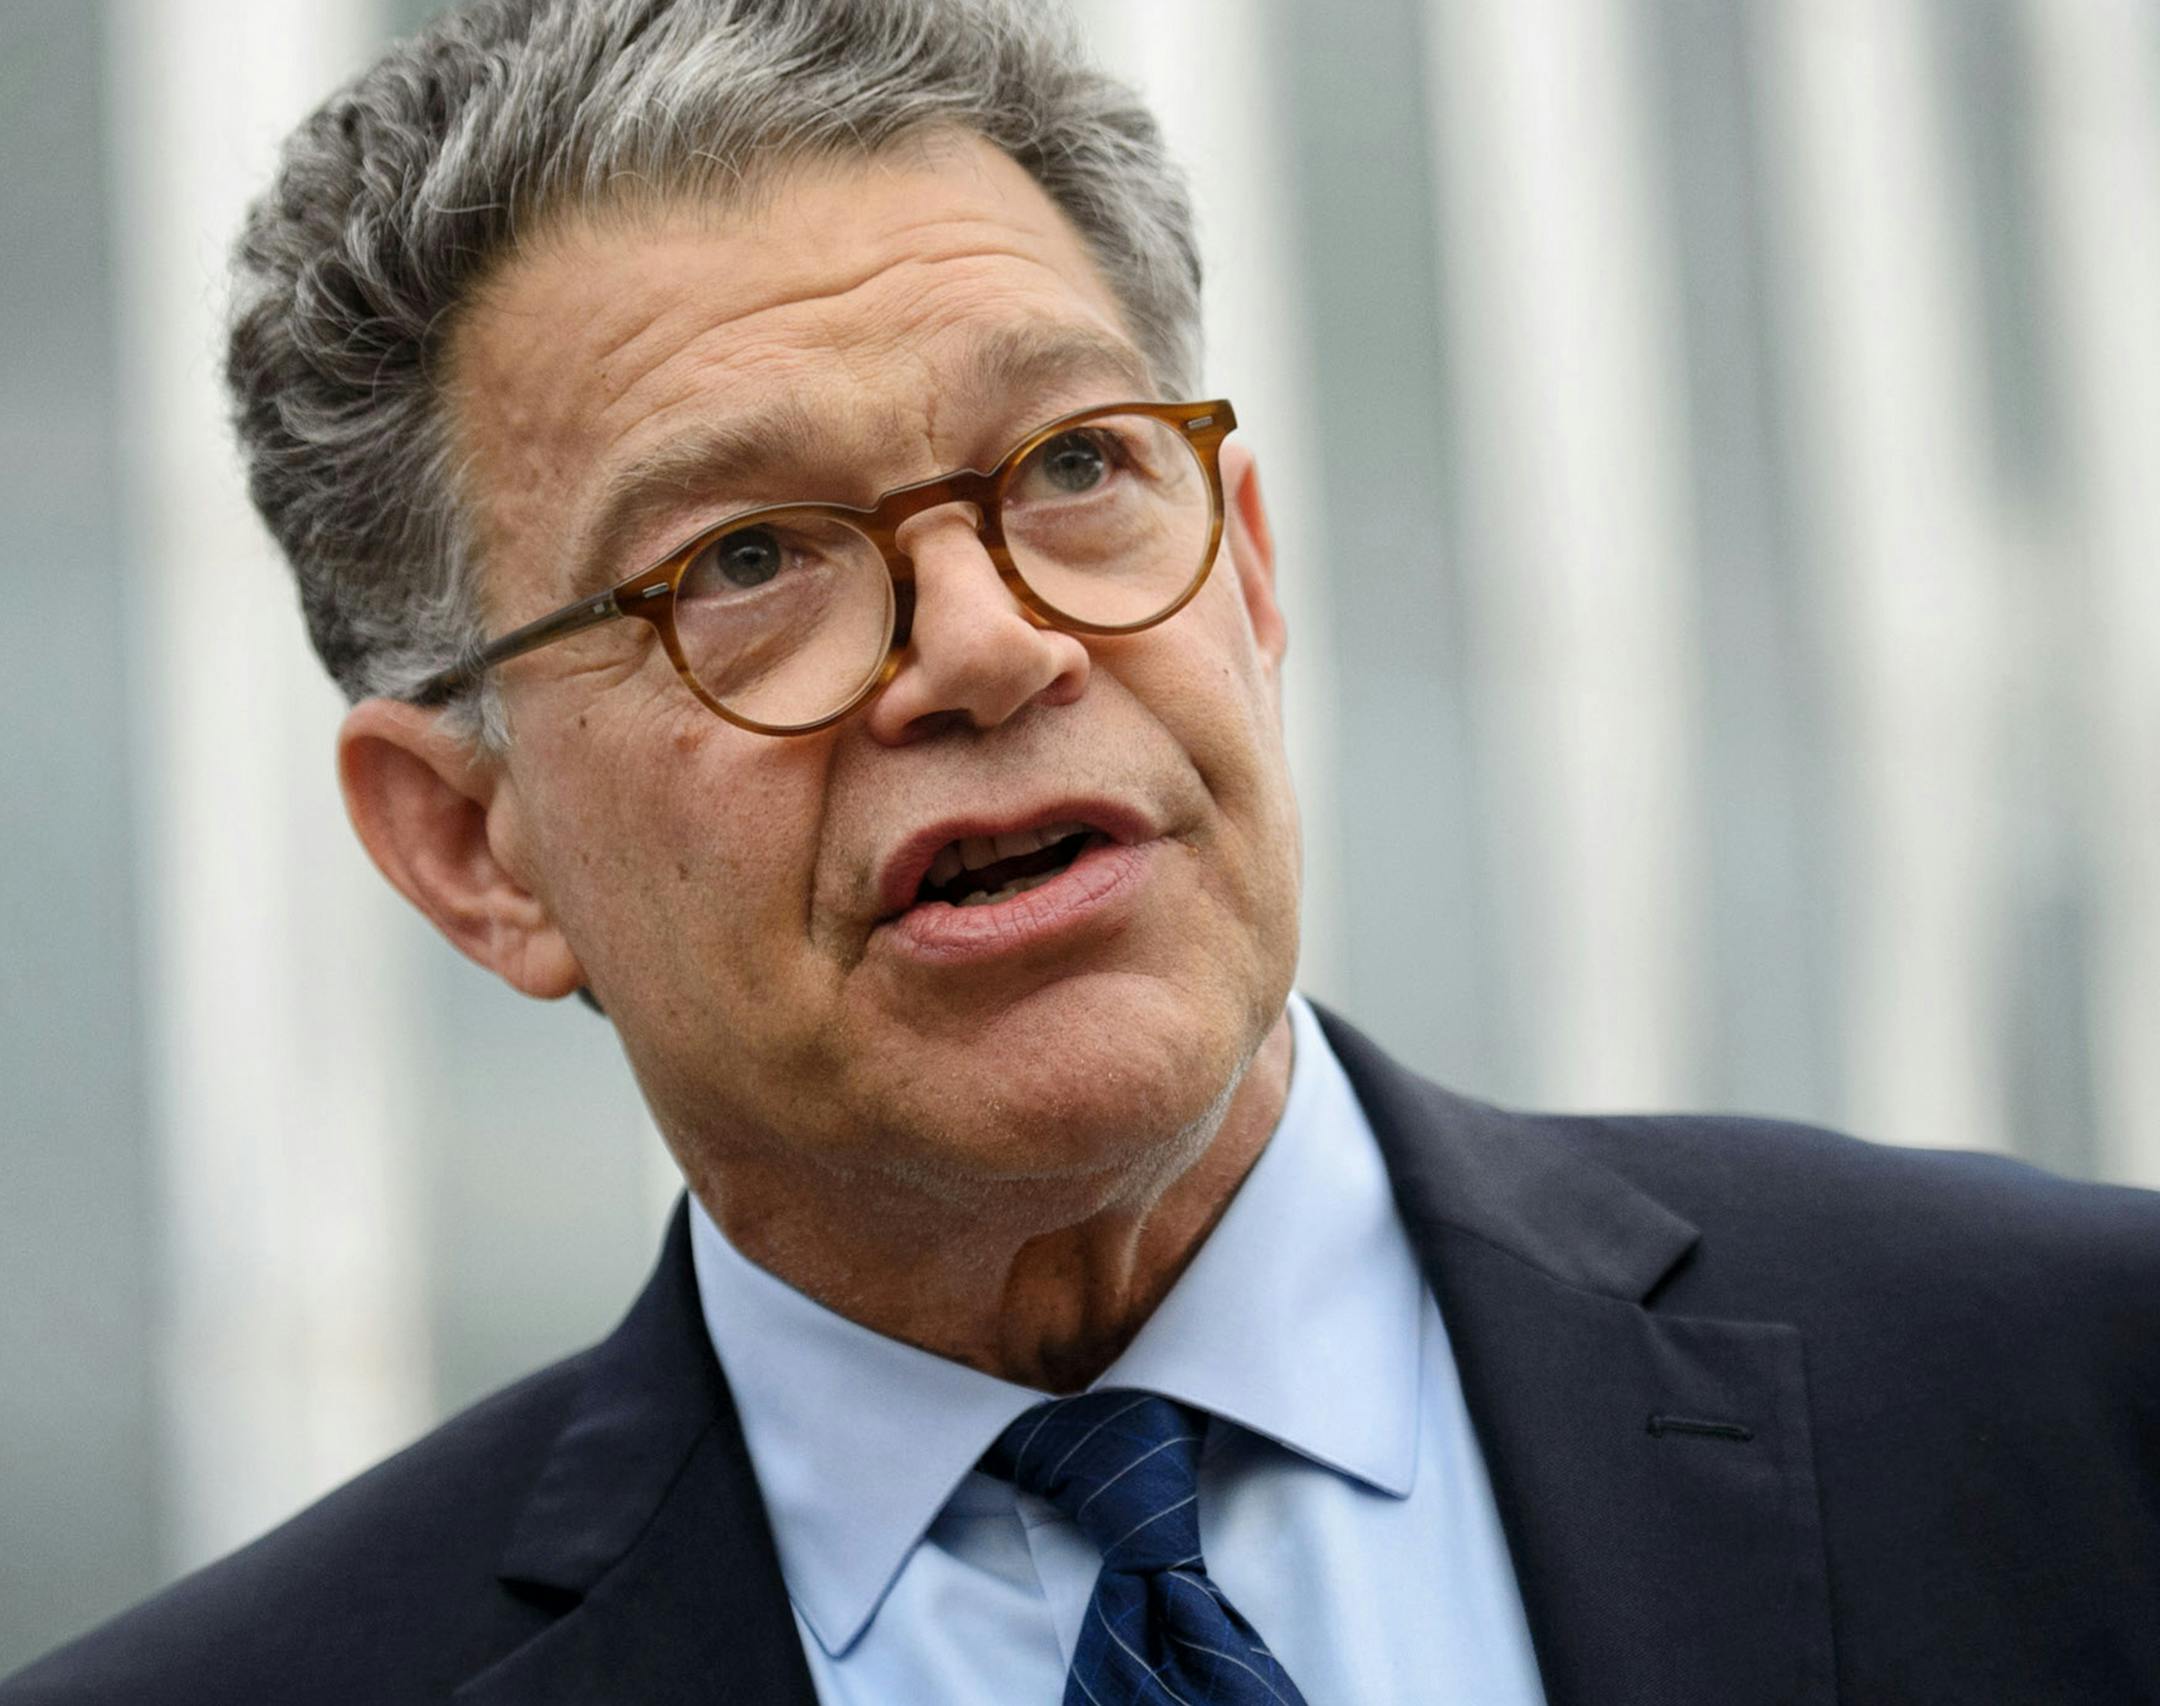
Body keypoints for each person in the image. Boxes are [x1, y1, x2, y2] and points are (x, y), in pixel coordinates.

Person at [7, 1, 2157, 1701]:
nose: (991, 640)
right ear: (475, 847)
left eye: (1077, 465)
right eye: (747, 556)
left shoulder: (2073, 1401)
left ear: (1251, 573)